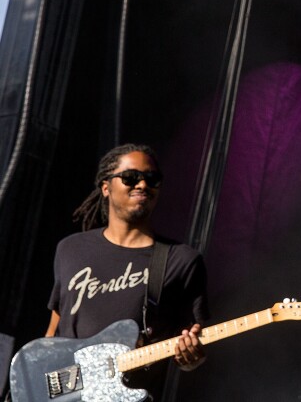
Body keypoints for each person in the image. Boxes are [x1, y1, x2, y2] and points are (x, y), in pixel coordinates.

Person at [45, 143, 209, 401]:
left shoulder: (182, 260)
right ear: (106, 187)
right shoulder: (71, 249)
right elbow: (53, 331)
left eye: (152, 179)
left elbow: (189, 352)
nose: (143, 185)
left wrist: (190, 357)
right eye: (131, 178)